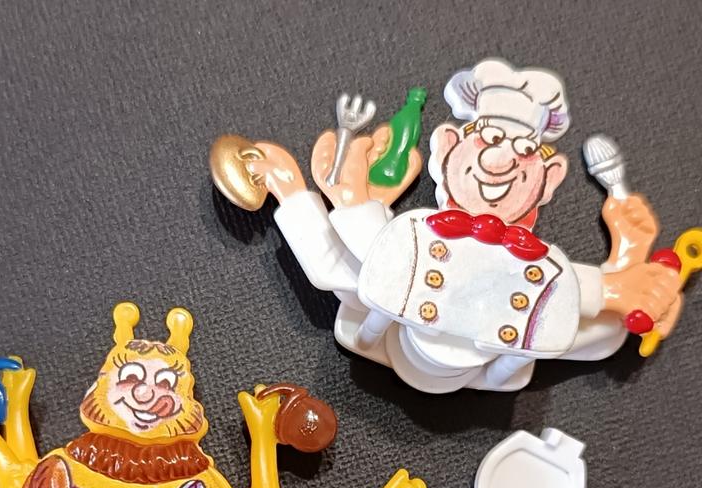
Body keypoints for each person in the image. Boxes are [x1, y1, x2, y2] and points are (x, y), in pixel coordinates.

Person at [238, 59, 682, 392]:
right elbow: (383, 256)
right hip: (409, 340)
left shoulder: (539, 270)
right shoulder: (422, 236)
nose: (500, 160)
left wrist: (630, 265)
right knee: (345, 277)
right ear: (449, 146)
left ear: (549, 178)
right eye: (490, 139)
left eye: (525, 151)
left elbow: (592, 327)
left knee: (345, 275)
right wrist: (613, 285)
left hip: (467, 358)